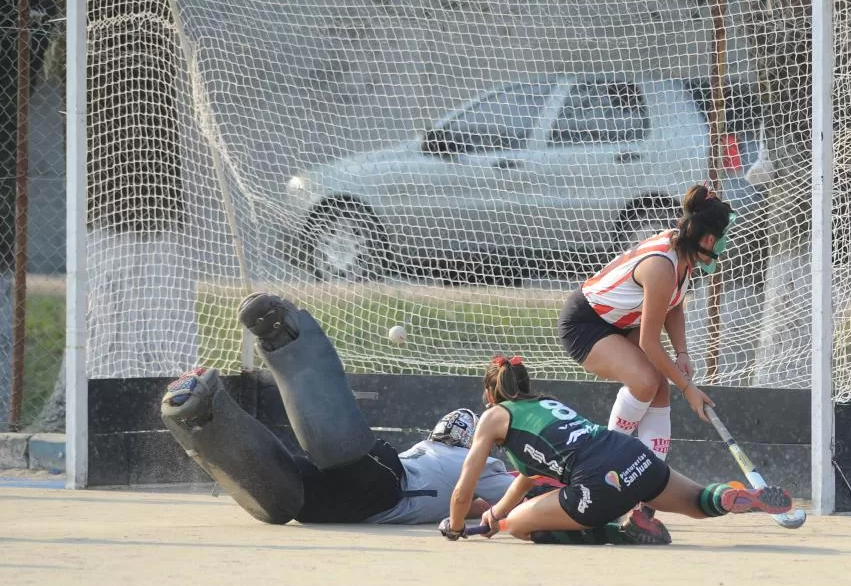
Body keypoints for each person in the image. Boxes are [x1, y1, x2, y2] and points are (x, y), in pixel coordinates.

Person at [160, 292, 514, 525]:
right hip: (382, 494)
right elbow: (515, 497)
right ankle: (276, 346)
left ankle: (204, 414)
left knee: (288, 490)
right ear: (472, 440)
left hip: (356, 503)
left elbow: (456, 497)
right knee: (336, 455)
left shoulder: (427, 452)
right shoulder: (479, 462)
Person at [443, 356, 792, 545]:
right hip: (633, 455)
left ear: (490, 396)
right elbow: (526, 478)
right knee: (700, 504)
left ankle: (623, 532)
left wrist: (457, 526)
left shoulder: (493, 417)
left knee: (517, 527)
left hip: (599, 482)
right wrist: (494, 515)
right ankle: (728, 496)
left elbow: (463, 490)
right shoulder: (545, 404)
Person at [557, 184, 735, 525]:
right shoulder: (661, 266)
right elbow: (650, 343)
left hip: (620, 320)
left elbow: (673, 305)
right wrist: (689, 389)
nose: (724, 245)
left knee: (659, 387)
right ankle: (604, 472)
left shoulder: (683, 253)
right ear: (709, 240)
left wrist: (682, 353)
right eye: (724, 238)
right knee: (645, 381)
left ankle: (647, 493)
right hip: (586, 323)